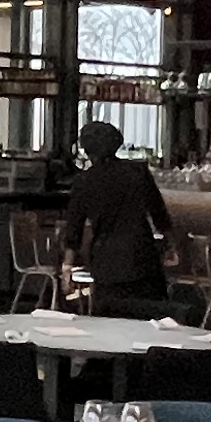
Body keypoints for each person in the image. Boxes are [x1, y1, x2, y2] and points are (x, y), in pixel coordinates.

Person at [57, 118, 173, 308]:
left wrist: (67, 266)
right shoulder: (138, 172)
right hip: (143, 255)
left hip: (106, 260)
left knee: (113, 315)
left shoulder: (84, 181)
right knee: (150, 313)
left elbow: (74, 229)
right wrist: (169, 245)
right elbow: (158, 212)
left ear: (87, 150)